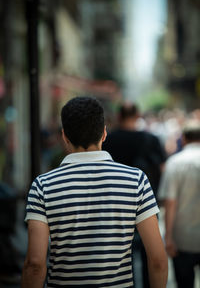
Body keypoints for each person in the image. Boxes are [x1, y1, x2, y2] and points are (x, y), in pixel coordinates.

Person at [21, 96, 168, 288]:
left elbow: (35, 264)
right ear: (104, 133)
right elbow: (157, 260)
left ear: (64, 136)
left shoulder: (42, 186)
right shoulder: (137, 180)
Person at [103, 103, 167, 288]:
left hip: (115, 204)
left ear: (119, 115)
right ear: (137, 115)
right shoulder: (151, 139)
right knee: (151, 251)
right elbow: (163, 168)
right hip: (147, 200)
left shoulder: (109, 140)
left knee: (121, 251)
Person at [158, 120, 200, 288]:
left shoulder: (174, 163)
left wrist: (168, 237)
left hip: (182, 238)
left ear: (183, 138)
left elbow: (170, 202)